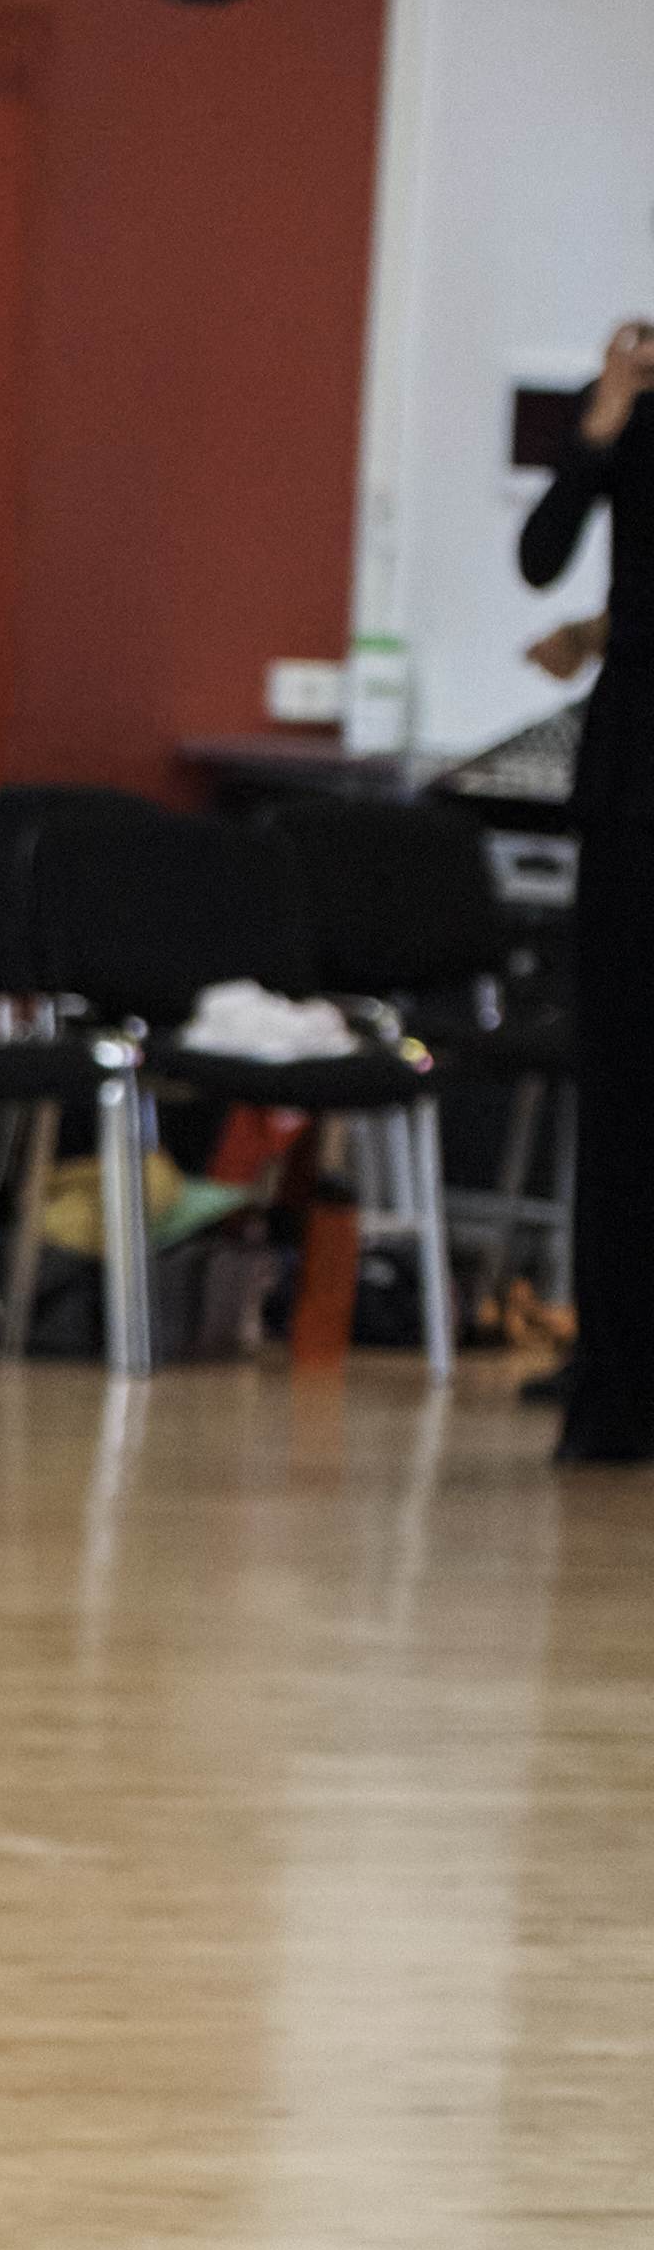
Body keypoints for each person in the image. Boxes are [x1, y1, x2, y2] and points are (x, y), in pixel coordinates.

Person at [519, 310, 653, 1466]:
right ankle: (615, 1378)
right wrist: (599, 426)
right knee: (619, 1088)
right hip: (634, 786)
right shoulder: (631, 419)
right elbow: (541, 552)